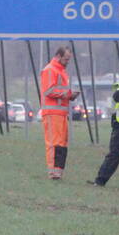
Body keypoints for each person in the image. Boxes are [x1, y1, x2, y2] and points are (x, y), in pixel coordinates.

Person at [39, 46, 80, 179]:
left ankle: (58, 171)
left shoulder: (61, 71)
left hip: (61, 113)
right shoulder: (50, 70)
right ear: (58, 56)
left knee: (62, 143)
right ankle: (53, 171)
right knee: (53, 143)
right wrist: (68, 94)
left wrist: (70, 96)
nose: (68, 62)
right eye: (66, 59)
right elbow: (48, 91)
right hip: (52, 113)